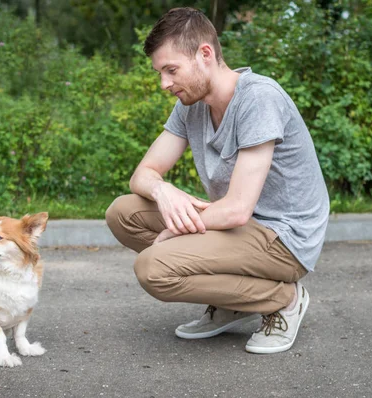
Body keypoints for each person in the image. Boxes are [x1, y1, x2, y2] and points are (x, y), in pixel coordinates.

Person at [105, 7, 329, 354]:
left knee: (153, 268)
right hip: (237, 226)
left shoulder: (258, 98)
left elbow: (238, 210)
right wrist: (162, 190)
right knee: (123, 213)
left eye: (171, 70)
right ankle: (232, 303)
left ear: (205, 54)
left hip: (283, 238)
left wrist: (175, 230)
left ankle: (283, 299)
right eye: (160, 72)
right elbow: (143, 174)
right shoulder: (190, 104)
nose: (164, 83)